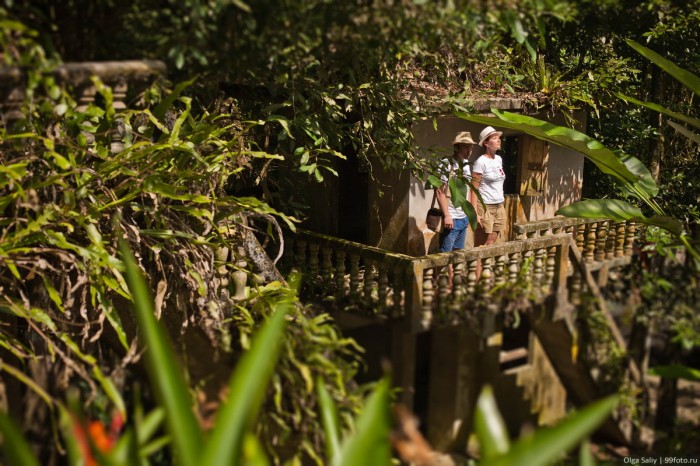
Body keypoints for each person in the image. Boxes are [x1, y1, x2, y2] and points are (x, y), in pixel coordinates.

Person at [435, 131, 477, 253]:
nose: (469, 151)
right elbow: (439, 191)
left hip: (463, 217)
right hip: (451, 218)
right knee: (445, 256)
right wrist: (447, 215)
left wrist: (468, 215)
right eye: (465, 147)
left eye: (471, 147)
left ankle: (453, 273)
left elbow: (466, 190)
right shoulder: (446, 164)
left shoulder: (465, 164)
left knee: (457, 255)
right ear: (456, 147)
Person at [472, 126, 506, 247]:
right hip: (485, 205)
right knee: (481, 244)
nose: (498, 140)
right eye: (494, 138)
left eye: (499, 138)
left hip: (499, 205)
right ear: (486, 143)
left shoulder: (499, 159)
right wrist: (475, 213)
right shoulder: (480, 162)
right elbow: (474, 188)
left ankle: (488, 266)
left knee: (492, 242)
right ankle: (477, 266)